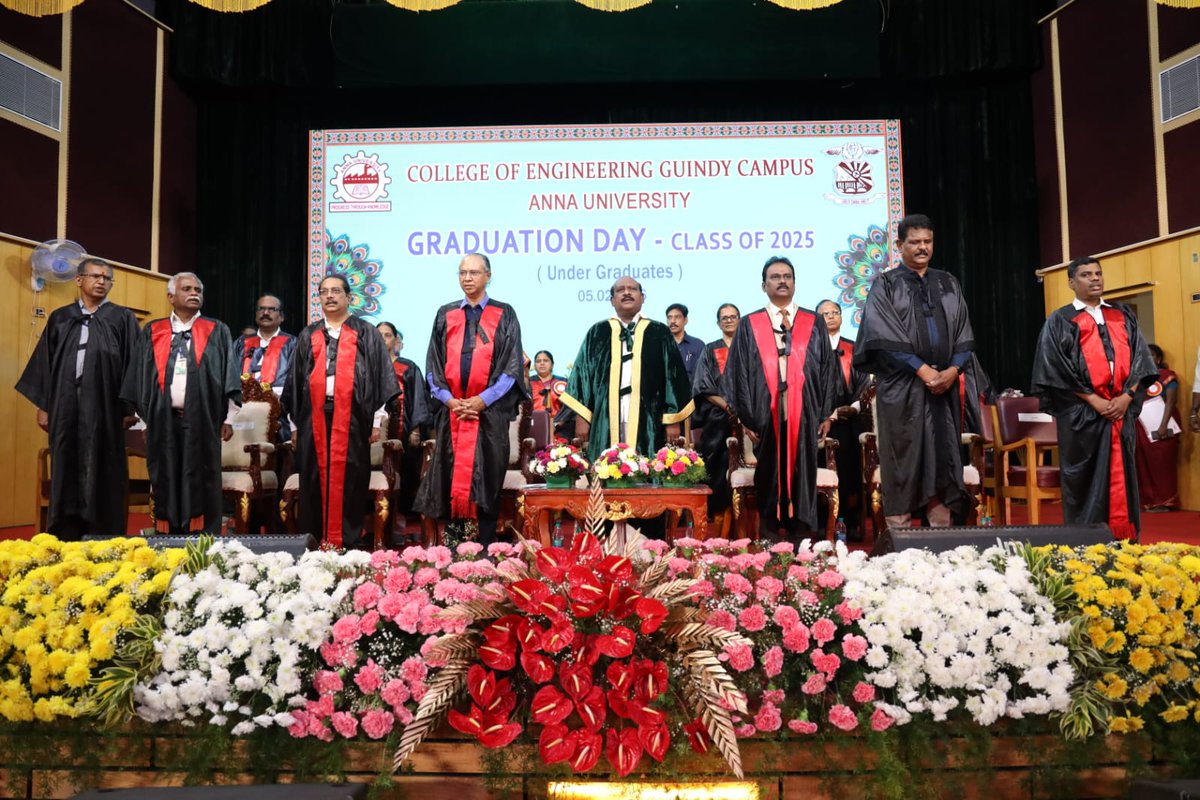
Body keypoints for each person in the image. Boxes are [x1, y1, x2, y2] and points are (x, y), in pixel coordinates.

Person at [853, 214, 975, 530]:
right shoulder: (886, 284)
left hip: (943, 388)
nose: (922, 248)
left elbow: (964, 332)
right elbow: (881, 335)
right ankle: (900, 539)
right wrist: (921, 370)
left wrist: (953, 370)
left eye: (927, 241)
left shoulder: (947, 282)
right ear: (899, 245)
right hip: (902, 388)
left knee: (943, 456)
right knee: (902, 458)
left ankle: (942, 538)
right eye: (915, 242)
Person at [1031, 256, 1157, 539]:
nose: (1095, 278)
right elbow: (1053, 368)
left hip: (1120, 411)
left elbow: (1141, 360)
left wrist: (1127, 397)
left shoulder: (1123, 315)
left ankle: (1124, 540)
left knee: (1123, 476)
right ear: (1071, 283)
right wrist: (1093, 399)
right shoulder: (1059, 320)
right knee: (1084, 479)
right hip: (1082, 415)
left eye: (1098, 273)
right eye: (1086, 275)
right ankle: (1086, 540)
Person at [16, 257, 140, 539]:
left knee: (105, 467)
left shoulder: (122, 318)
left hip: (106, 408)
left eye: (107, 278)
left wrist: (128, 407)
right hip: (65, 404)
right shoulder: (61, 317)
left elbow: (135, 364)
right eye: (95, 276)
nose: (101, 281)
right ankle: (64, 533)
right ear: (79, 280)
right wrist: (44, 406)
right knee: (66, 463)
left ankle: (103, 534)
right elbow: (45, 365)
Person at [414, 254, 527, 546]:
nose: (467, 278)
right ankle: (459, 550)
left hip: (490, 415)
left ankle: (486, 549)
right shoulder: (445, 314)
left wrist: (482, 400)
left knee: (487, 478)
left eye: (474, 273)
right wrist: (450, 400)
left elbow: (511, 366)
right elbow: (432, 365)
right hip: (452, 413)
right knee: (454, 479)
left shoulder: (505, 313)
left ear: (487, 276)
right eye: (462, 272)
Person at [283, 274, 398, 549]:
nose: (330, 296)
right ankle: (313, 541)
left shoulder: (365, 332)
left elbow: (379, 376)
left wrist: (376, 420)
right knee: (312, 477)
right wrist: (296, 427)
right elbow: (295, 382)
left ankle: (347, 541)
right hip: (314, 417)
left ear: (349, 297)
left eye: (336, 291)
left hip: (354, 417)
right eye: (324, 292)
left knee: (351, 477)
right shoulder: (308, 334)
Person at [121, 272, 240, 535]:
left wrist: (229, 419)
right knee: (165, 474)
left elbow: (229, 376)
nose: (194, 293)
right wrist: (144, 420)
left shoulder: (217, 330)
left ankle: (202, 537)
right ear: (171, 296)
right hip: (162, 420)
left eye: (198, 289)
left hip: (203, 420)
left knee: (202, 475)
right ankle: (167, 533)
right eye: (187, 288)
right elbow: (139, 377)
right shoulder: (153, 330)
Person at [723, 257, 834, 540]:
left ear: (794, 283)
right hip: (765, 411)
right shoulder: (750, 324)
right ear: (764, 285)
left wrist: (824, 414)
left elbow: (826, 370)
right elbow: (737, 373)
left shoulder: (813, 322)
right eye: (775, 277)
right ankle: (770, 534)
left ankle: (802, 536)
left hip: (805, 411)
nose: (782, 281)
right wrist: (746, 418)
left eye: (787, 276)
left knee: (803, 469)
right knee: (769, 471)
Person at [561, 277, 694, 463]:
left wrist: (672, 420)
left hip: (649, 418)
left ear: (642, 297)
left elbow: (673, 379)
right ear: (612, 300)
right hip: (605, 418)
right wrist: (582, 418)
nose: (627, 292)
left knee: (648, 469)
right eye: (620, 290)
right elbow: (582, 378)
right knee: (607, 471)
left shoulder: (659, 332)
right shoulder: (597, 332)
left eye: (632, 289)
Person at [815, 299, 870, 539]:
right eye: (825, 313)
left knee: (849, 471)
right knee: (819, 471)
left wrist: (855, 408)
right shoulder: (810, 351)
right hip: (821, 423)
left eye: (835, 312)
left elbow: (866, 386)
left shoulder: (854, 348)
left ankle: (852, 523)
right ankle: (820, 522)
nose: (830, 316)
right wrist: (826, 414)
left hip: (850, 422)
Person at [377, 321, 431, 541]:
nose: (383, 339)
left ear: (395, 340)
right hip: (373, 437)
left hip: (404, 431)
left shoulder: (408, 367)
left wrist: (416, 430)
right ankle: (379, 528)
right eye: (378, 335)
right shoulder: (364, 367)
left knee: (407, 479)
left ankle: (407, 528)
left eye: (387, 335)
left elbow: (419, 399)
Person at [690, 303, 741, 533]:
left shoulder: (750, 348)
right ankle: (718, 512)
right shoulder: (710, 350)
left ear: (740, 320)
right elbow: (703, 385)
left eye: (733, 317)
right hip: (718, 415)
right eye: (724, 318)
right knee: (717, 460)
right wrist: (727, 405)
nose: (729, 320)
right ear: (718, 323)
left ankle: (743, 516)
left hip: (747, 416)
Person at [232, 294, 296, 439]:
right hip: (242, 413)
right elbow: (230, 377)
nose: (265, 313)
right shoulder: (241, 344)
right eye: (261, 309)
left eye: (271, 309)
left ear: (281, 316)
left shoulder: (293, 344)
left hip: (280, 416)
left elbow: (296, 383)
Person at [1133, 344, 1182, 512]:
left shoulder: (1168, 376)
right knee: (1143, 465)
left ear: (1158, 359)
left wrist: (1163, 425)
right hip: (1141, 429)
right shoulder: (1136, 379)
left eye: (1151, 355)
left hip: (1163, 427)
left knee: (1163, 465)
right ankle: (1148, 502)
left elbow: (1171, 401)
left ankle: (1166, 502)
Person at [666, 302, 706, 381]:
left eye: (677, 317)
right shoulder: (661, 345)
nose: (672, 321)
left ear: (685, 320)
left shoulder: (698, 345)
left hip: (692, 392)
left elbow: (704, 374)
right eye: (669, 317)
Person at [529, 350, 567, 420]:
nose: (542, 363)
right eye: (538, 361)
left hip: (559, 426)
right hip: (533, 425)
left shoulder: (563, 382)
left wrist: (557, 423)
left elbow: (569, 408)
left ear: (552, 364)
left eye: (546, 360)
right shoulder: (528, 383)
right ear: (534, 365)